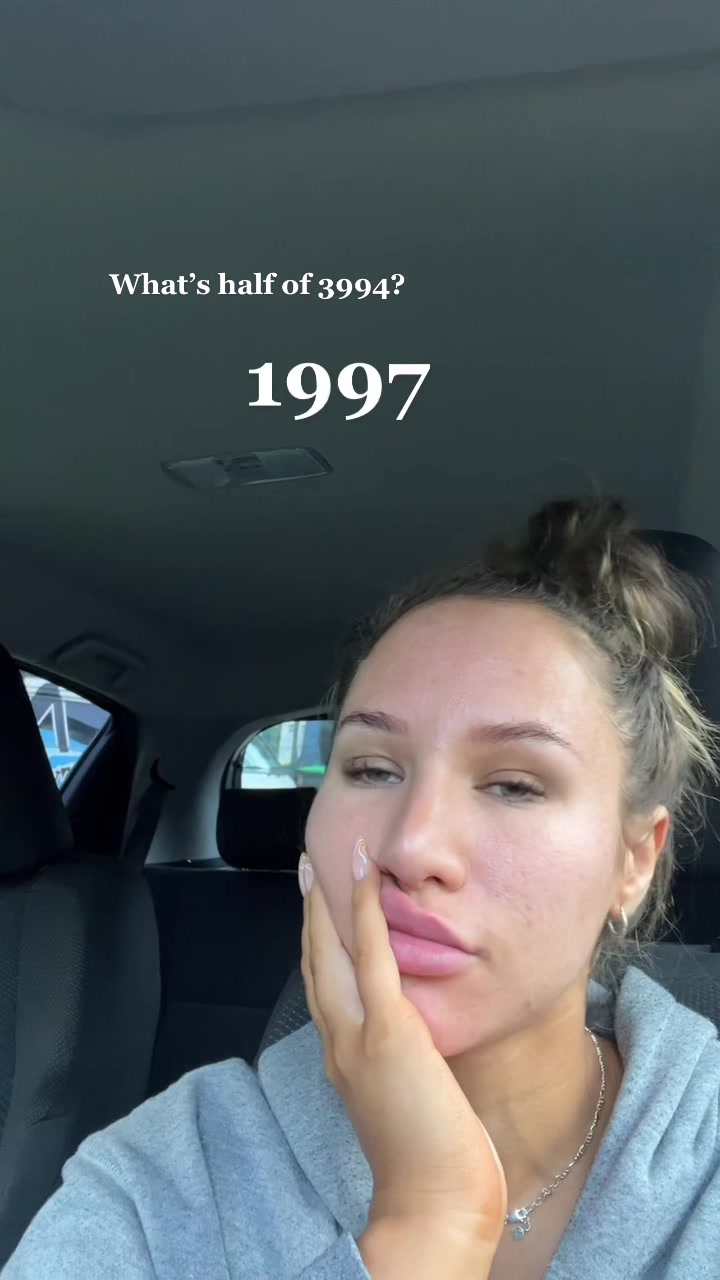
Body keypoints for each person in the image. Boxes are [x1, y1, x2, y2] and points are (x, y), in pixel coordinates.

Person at [3, 495, 720, 1280]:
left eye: (515, 784)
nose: (411, 847)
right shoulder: (155, 1188)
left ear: (634, 861)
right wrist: (431, 1217)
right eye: (372, 769)